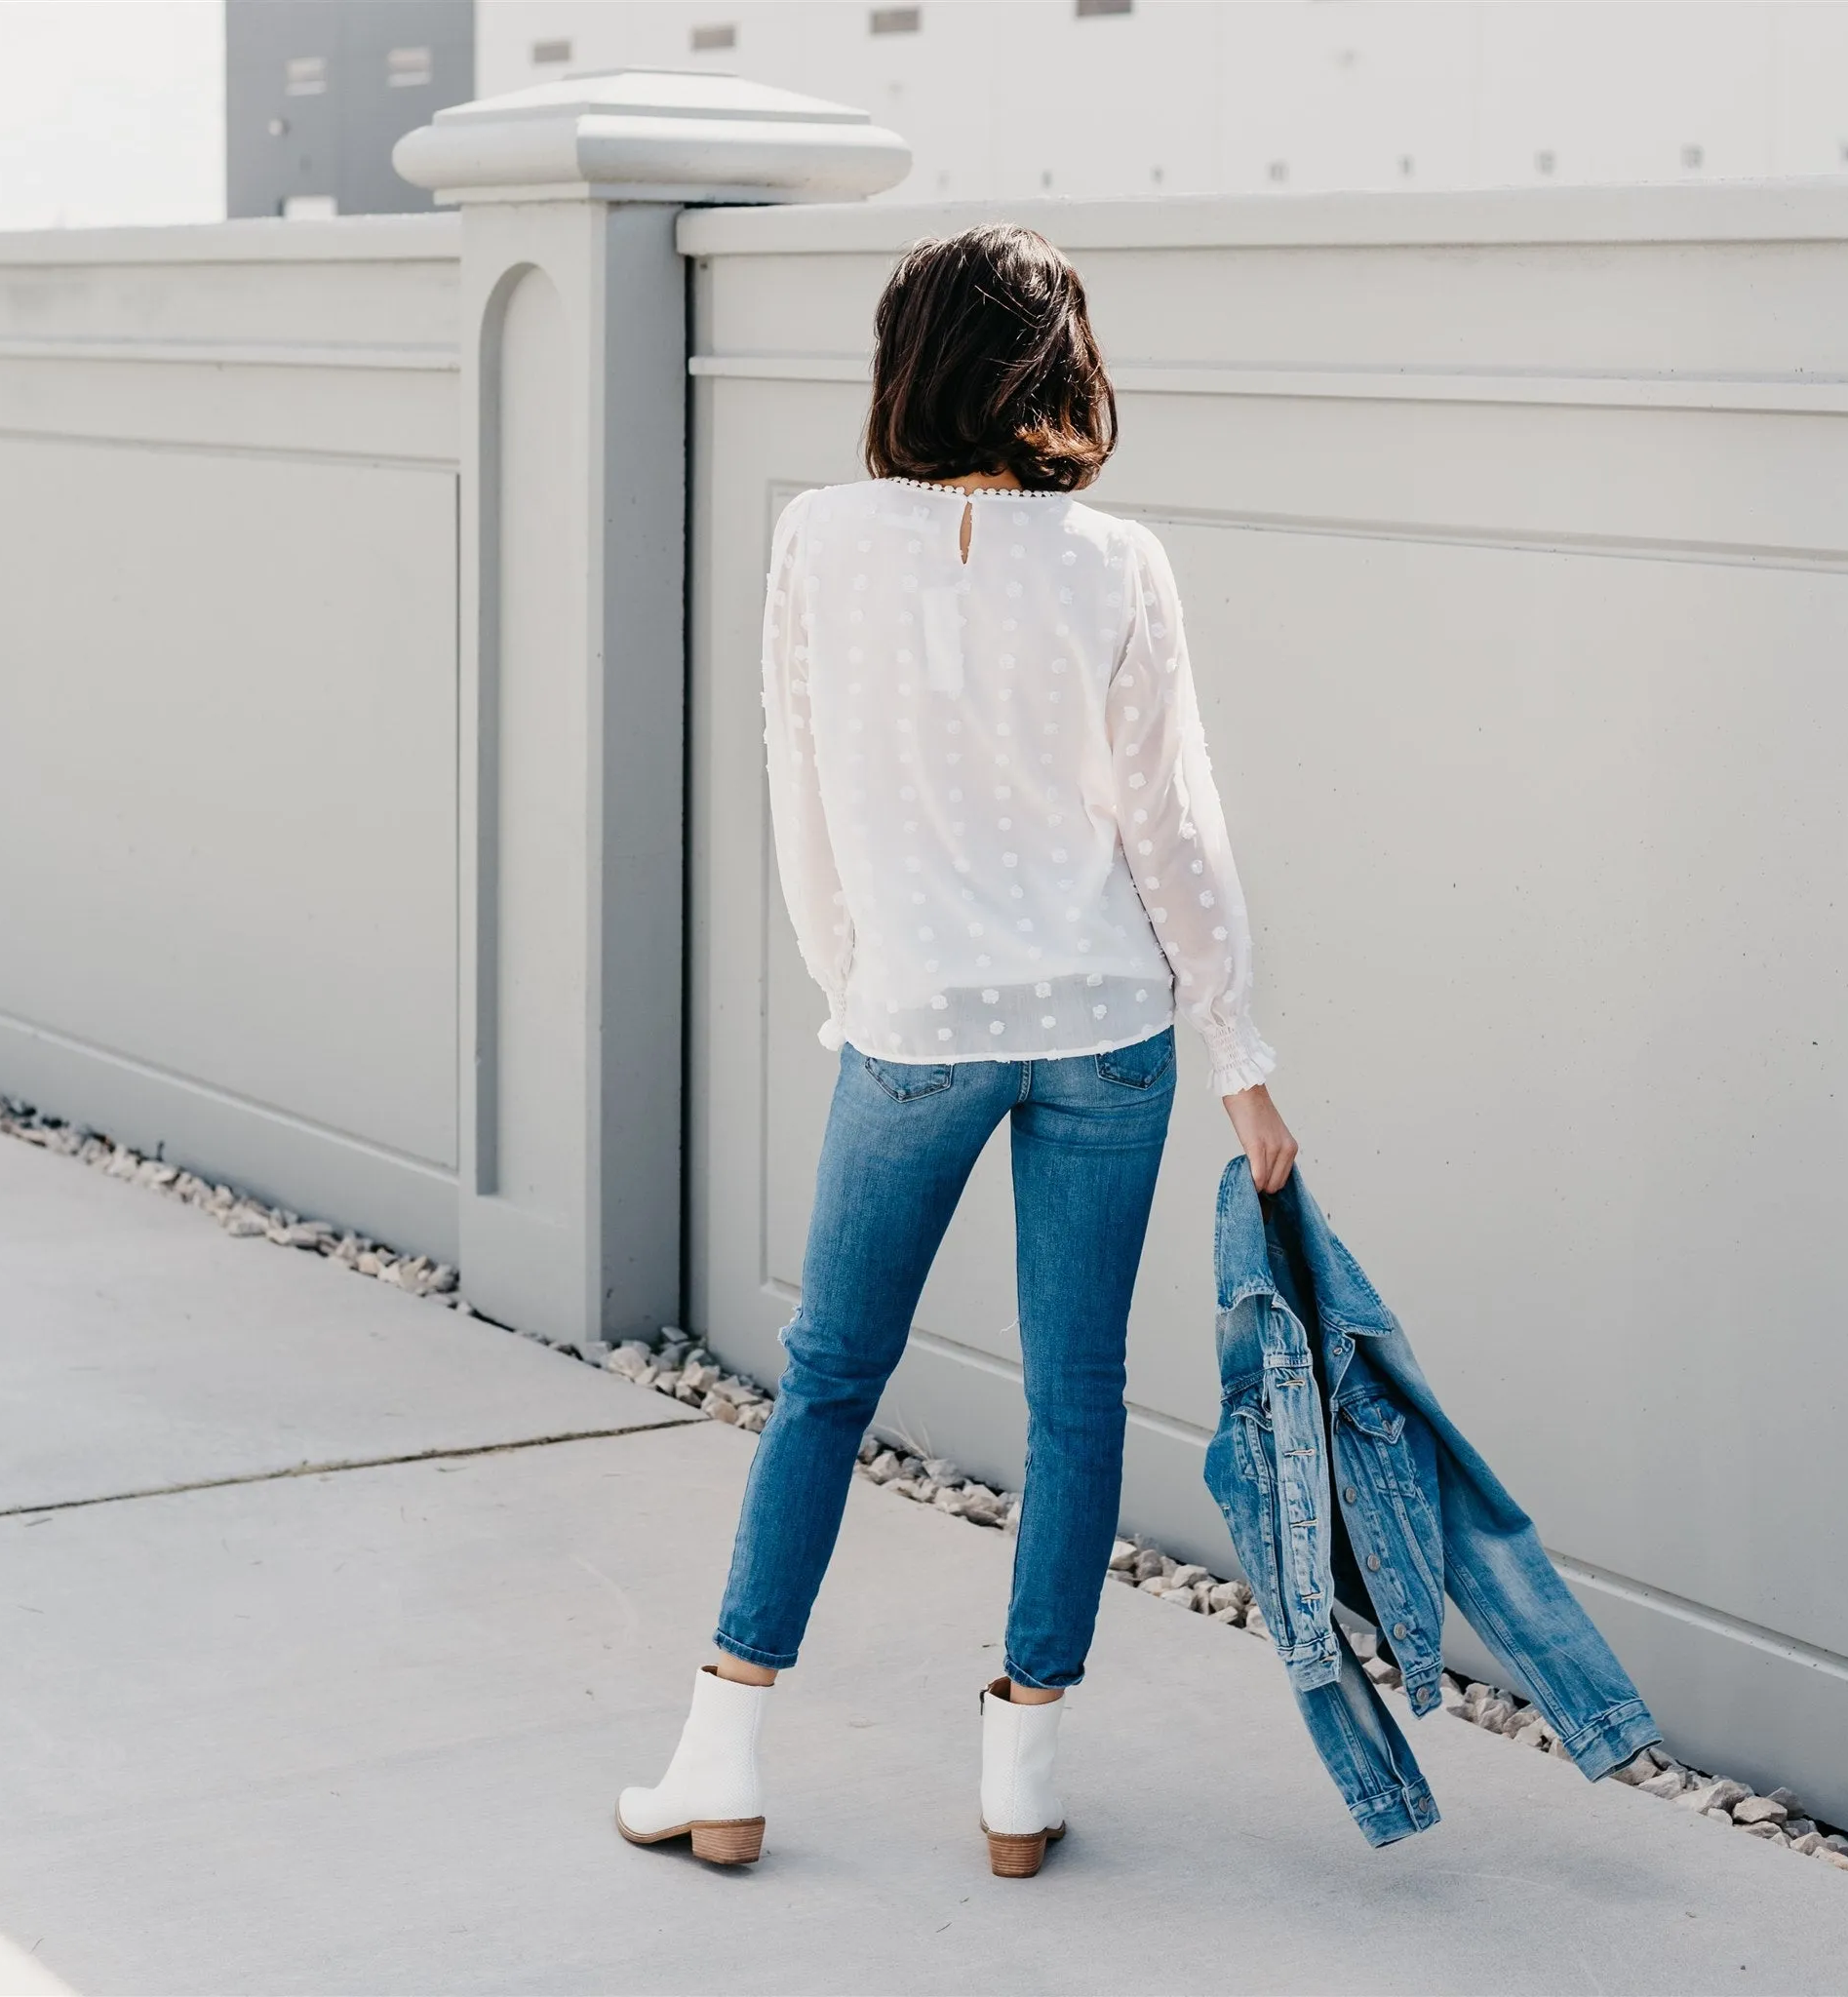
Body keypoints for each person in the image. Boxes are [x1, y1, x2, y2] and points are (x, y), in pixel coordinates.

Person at [615, 223, 1297, 1878]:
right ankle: (1018, 1780)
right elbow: (1174, 828)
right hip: (1109, 1029)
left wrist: (864, 984)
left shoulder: (818, 538)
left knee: (829, 1383)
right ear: (1061, 370)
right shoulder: (1117, 559)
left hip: (915, 1023)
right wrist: (1241, 1048)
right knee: (1078, 1403)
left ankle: (722, 1760)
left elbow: (805, 799)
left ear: (903, 363)